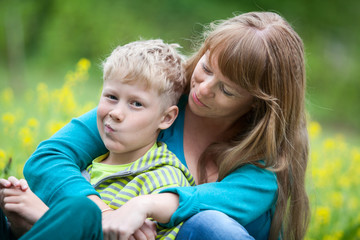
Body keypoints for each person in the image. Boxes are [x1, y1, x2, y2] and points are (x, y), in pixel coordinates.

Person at [1, 11, 310, 240]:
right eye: (206, 68)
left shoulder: (262, 172)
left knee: (212, 224)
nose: (202, 89)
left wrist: (143, 206)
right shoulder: (155, 106)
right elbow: (51, 157)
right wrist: (103, 214)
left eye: (227, 90)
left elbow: (207, 208)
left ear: (257, 103)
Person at [0, 39, 195, 240]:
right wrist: (19, 219)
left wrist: (42, 215)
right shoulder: (87, 163)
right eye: (111, 96)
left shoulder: (163, 180)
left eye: (136, 103)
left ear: (166, 118)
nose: (116, 113)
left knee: (83, 210)